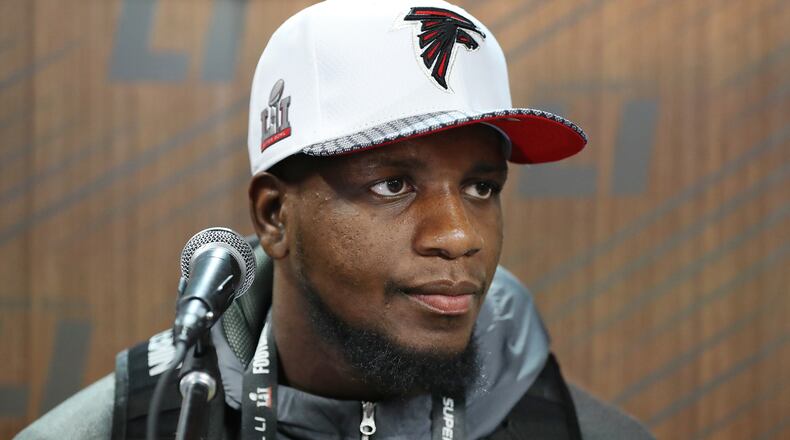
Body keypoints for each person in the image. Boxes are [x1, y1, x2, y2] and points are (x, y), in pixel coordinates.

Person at [17, 0, 654, 438]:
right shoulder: (139, 425)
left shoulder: (592, 435)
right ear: (274, 216)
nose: (459, 236)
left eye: (482, 186)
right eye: (393, 184)